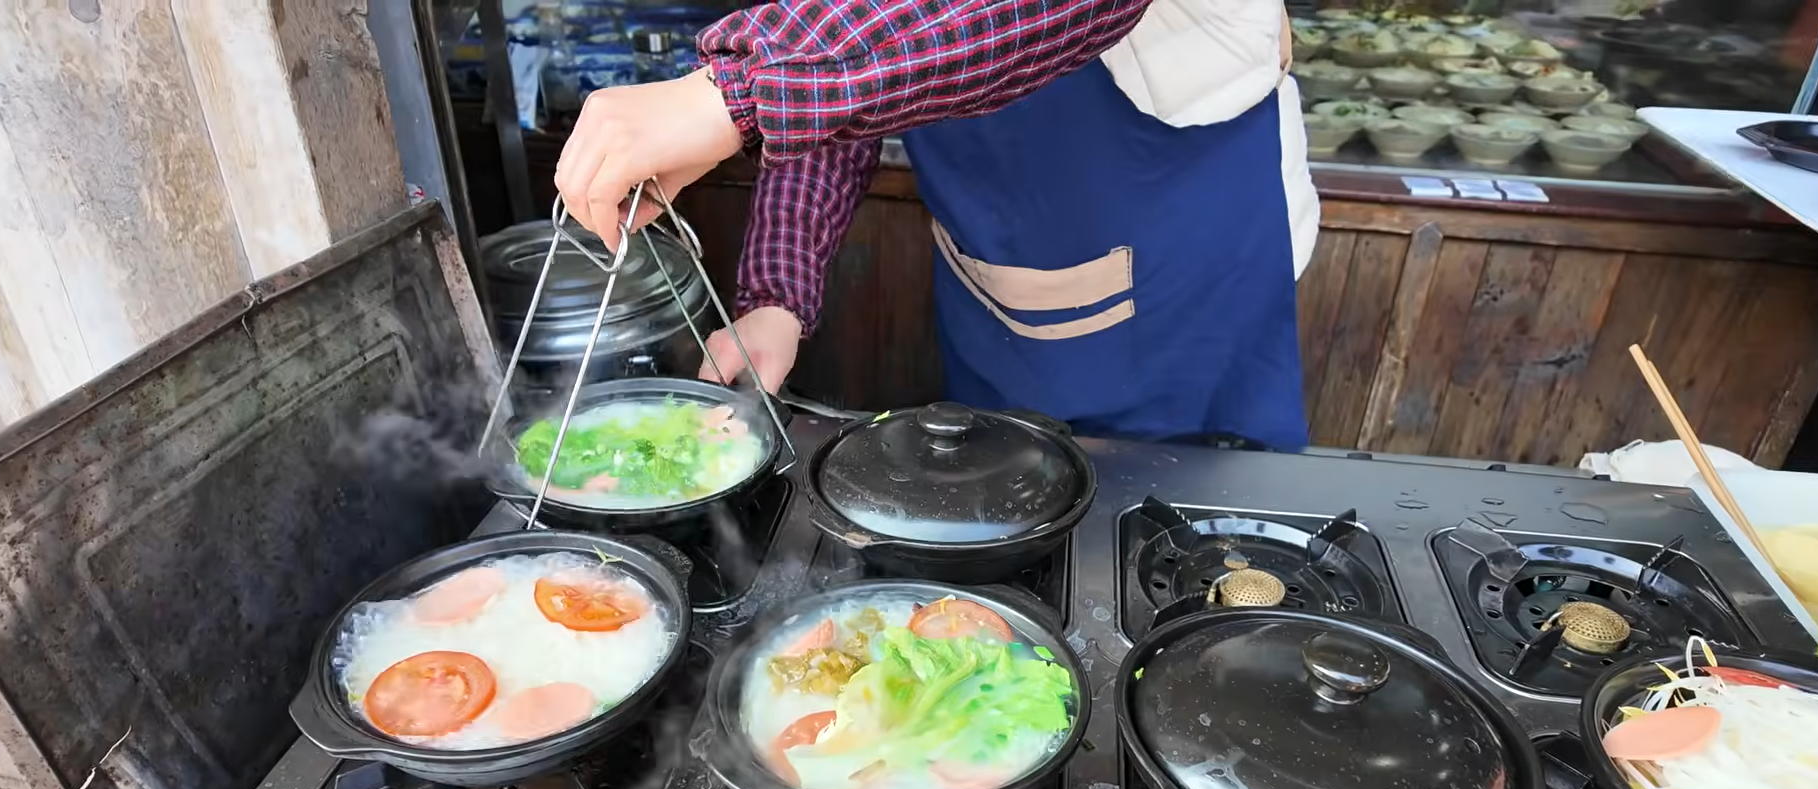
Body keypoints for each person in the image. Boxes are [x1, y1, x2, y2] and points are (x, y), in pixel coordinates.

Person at [555, 0, 1316, 446]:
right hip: (1000, 266)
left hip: (1173, 250)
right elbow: (840, 43)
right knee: (1008, 495)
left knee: (1168, 557)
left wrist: (739, 93)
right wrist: (777, 297)